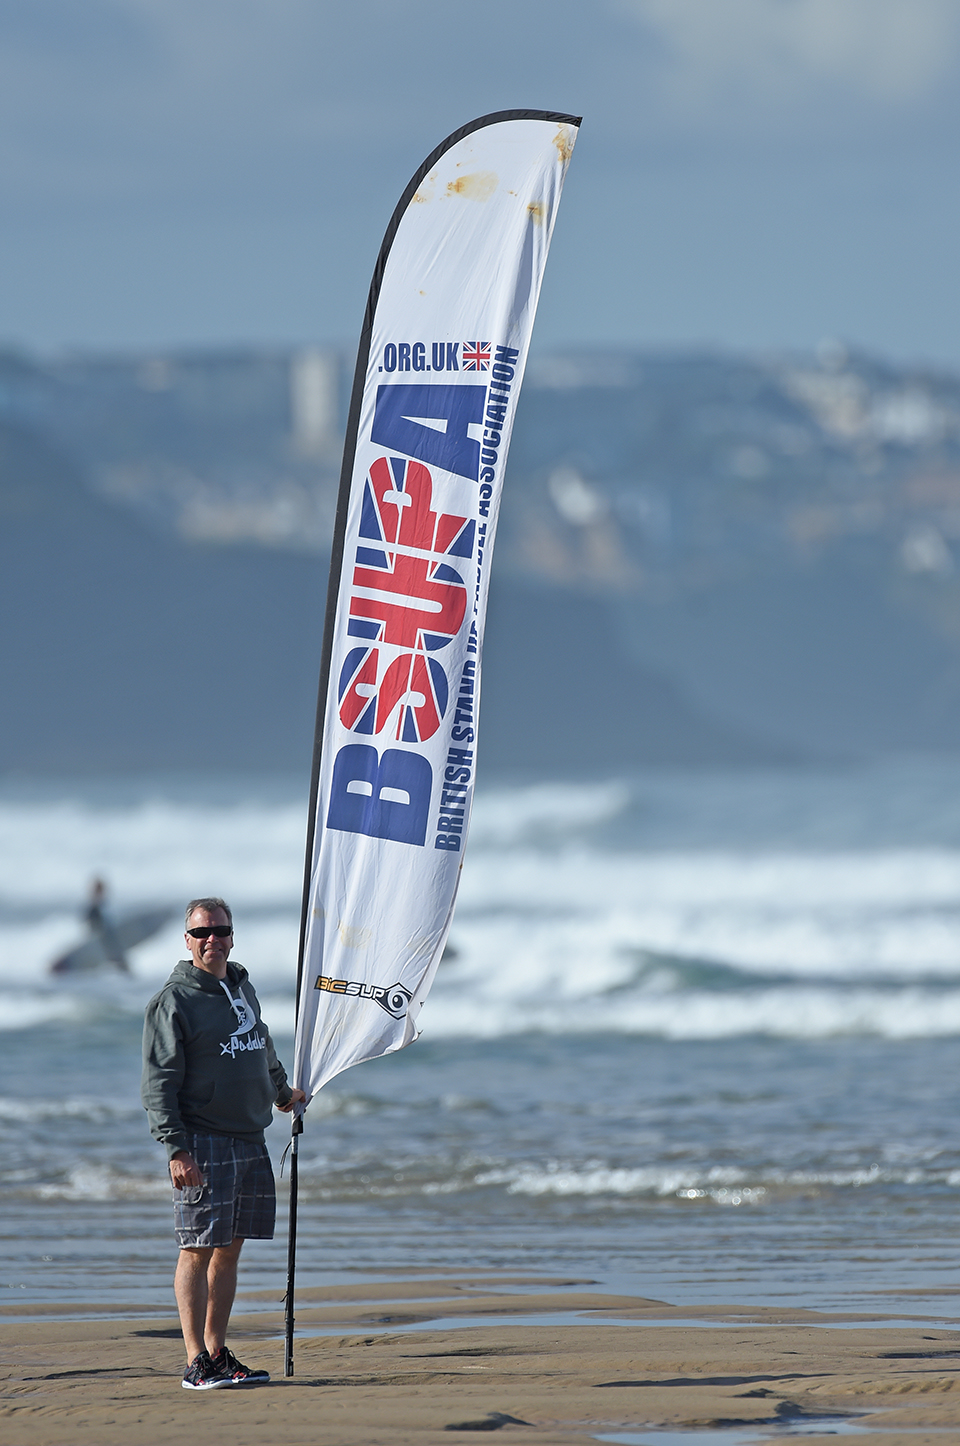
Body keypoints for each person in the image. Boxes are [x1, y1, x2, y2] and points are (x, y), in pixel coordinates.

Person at [141, 896, 305, 1391]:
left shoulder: (241, 985)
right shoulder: (174, 1001)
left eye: (221, 931)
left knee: (230, 1249)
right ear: (188, 941)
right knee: (198, 1247)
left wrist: (281, 1092)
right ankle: (194, 1362)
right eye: (202, 933)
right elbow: (159, 1082)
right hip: (203, 1140)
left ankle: (217, 1352)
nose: (213, 940)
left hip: (250, 1136)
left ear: (232, 936)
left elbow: (261, 1043)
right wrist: (176, 1148)